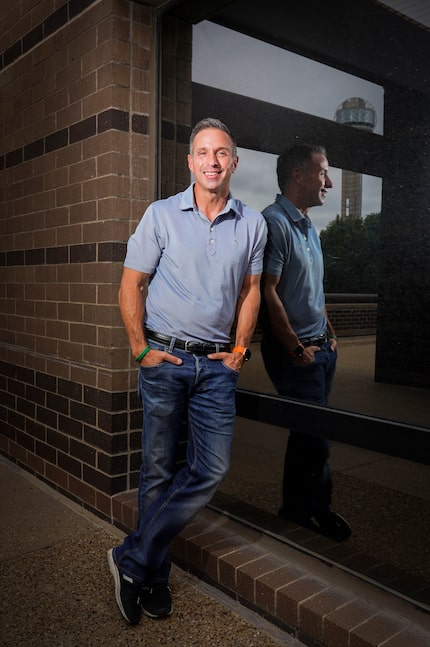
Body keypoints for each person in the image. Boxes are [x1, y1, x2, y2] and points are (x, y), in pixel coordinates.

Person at [108, 117, 267, 625]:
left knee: (210, 468)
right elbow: (130, 286)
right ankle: (152, 575)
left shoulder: (254, 223)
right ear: (190, 161)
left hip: (217, 367)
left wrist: (241, 350)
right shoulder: (161, 215)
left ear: (234, 162)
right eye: (203, 152)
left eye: (222, 152)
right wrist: (140, 351)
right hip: (165, 360)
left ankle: (130, 558)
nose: (213, 161)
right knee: (156, 471)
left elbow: (251, 291)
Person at [260, 143, 351, 542]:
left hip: (319, 349)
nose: (329, 181)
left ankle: (294, 509)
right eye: (324, 172)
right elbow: (268, 292)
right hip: (294, 354)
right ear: (299, 175)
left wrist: (329, 333)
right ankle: (318, 510)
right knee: (317, 437)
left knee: (305, 434)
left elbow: (315, 288)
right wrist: (297, 349)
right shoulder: (274, 224)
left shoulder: (308, 223)